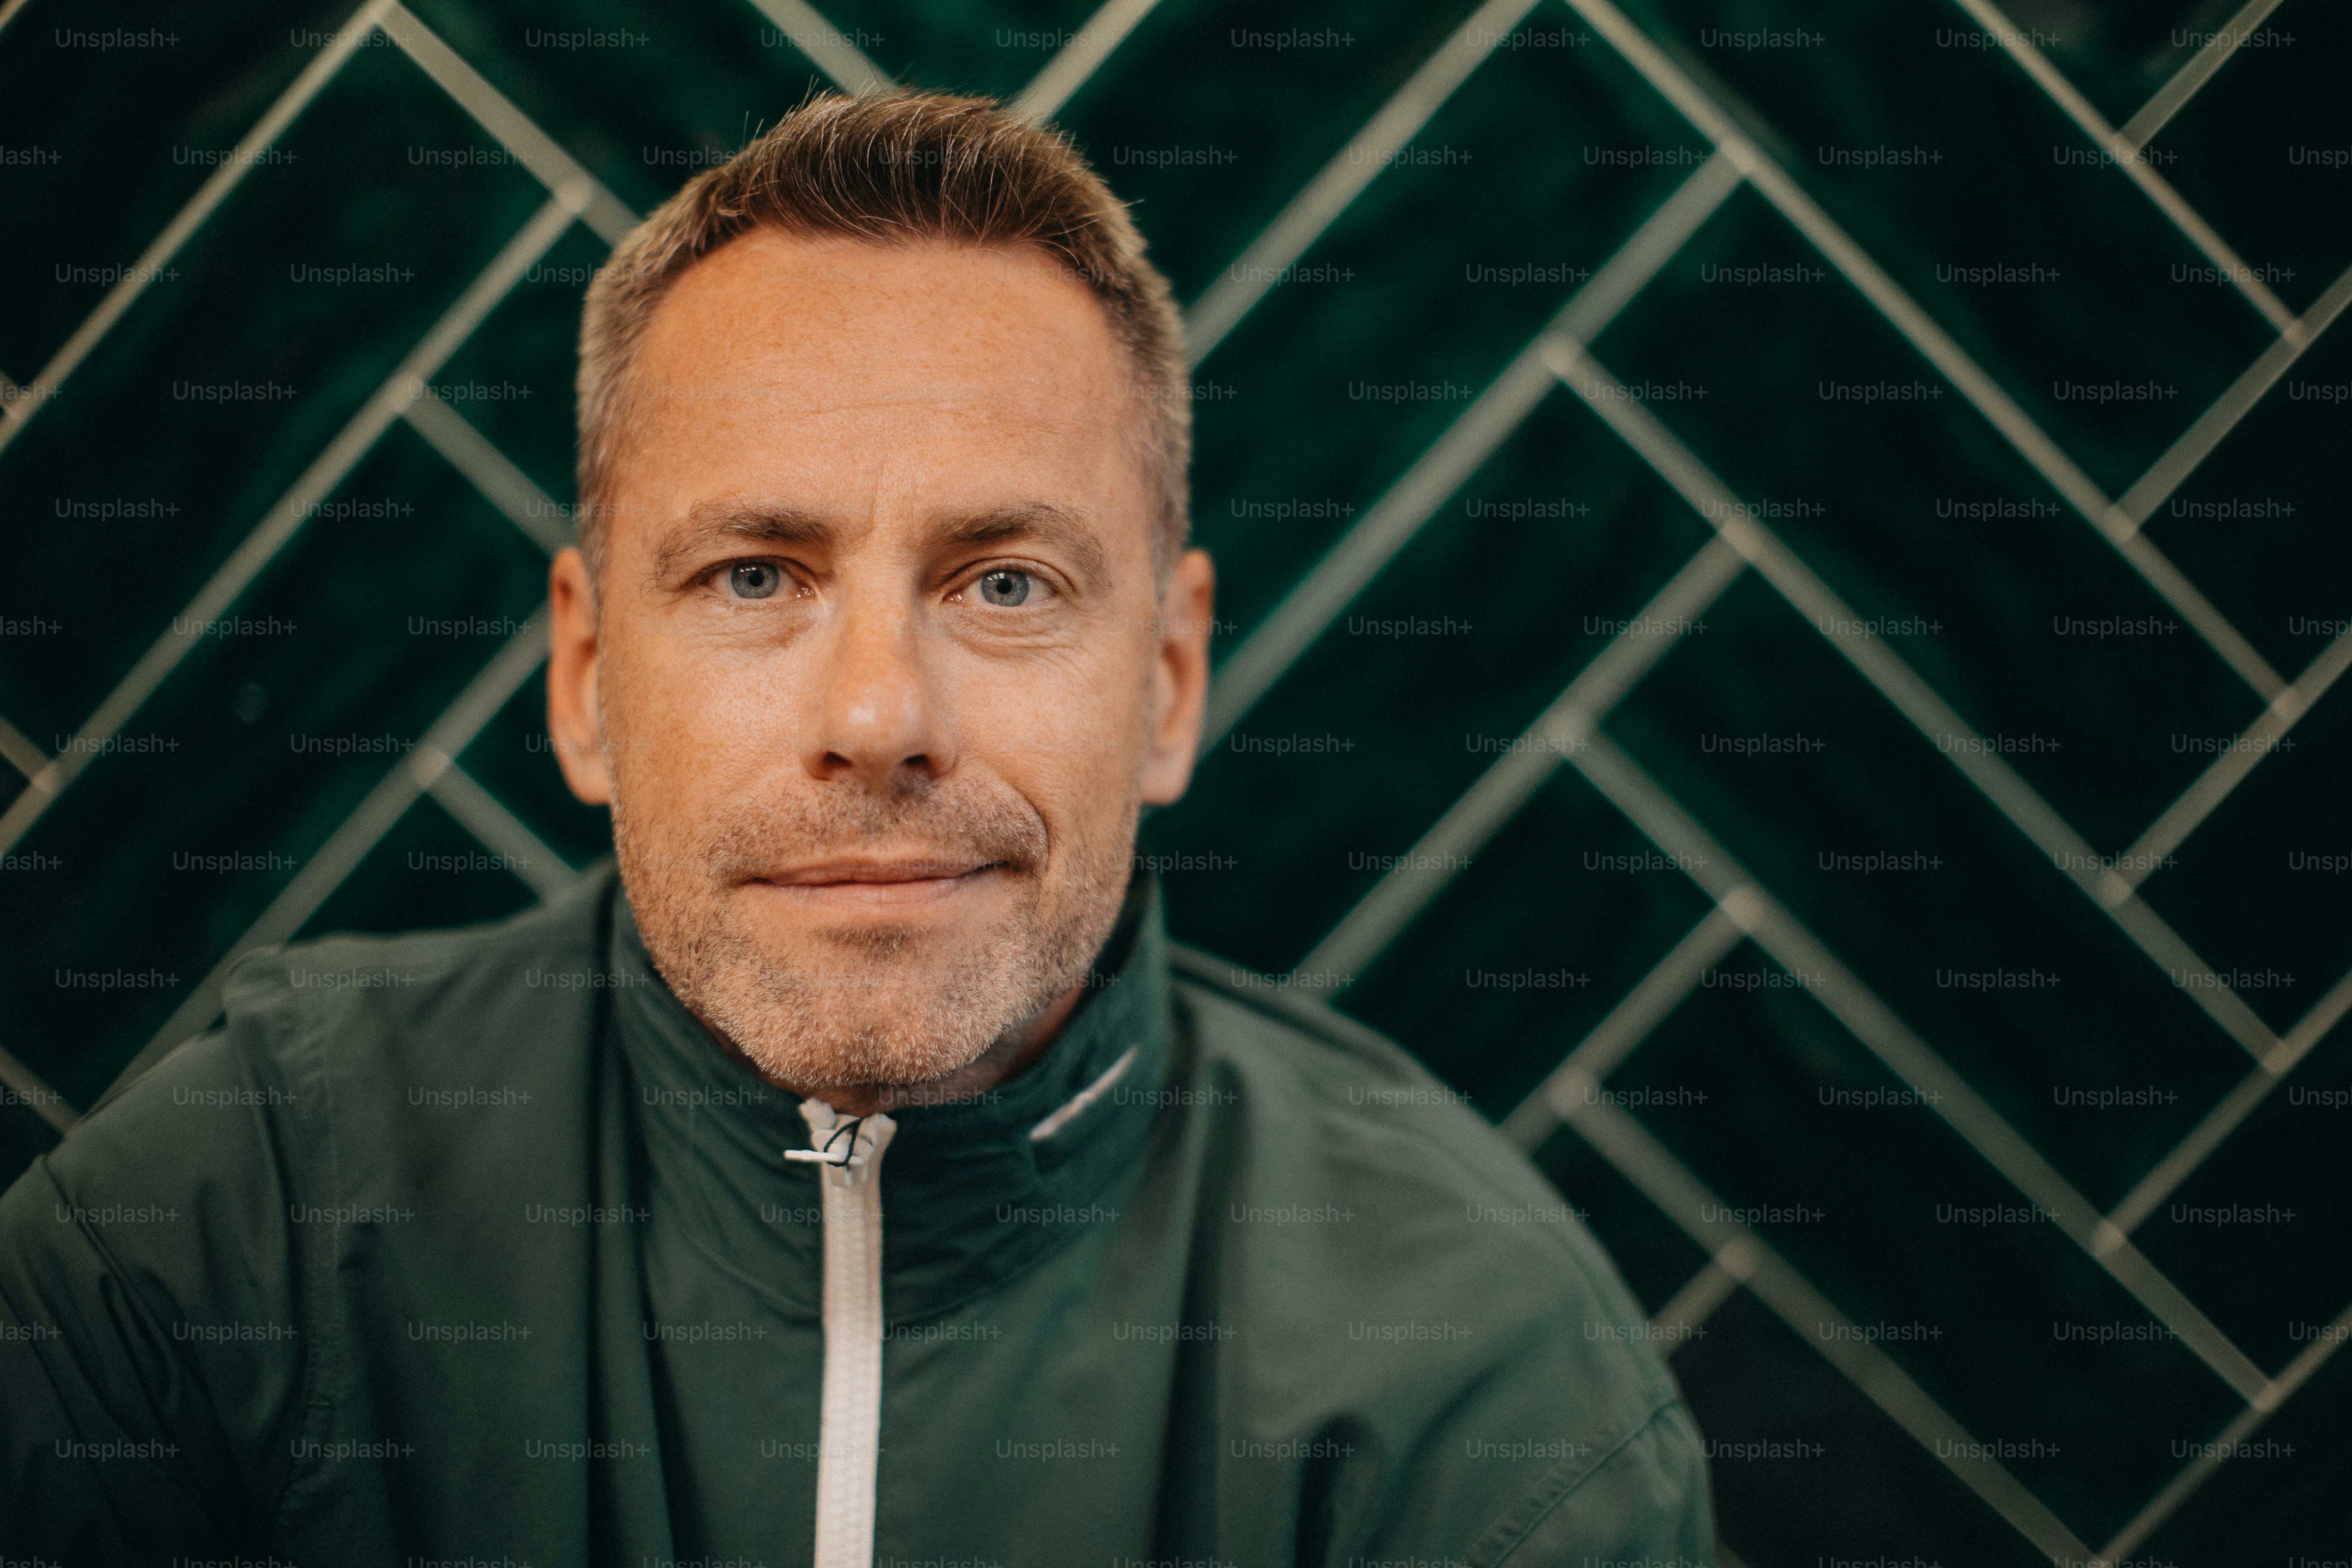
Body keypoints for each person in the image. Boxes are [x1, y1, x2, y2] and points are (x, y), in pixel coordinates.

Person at [0, 91, 1712, 1565]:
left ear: (1171, 683)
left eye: (1007, 582)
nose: (879, 718)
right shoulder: (241, 1221)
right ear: (588, 677)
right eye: (757, 575)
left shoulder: (1479, 1376)